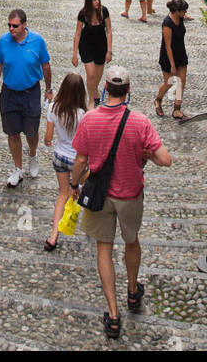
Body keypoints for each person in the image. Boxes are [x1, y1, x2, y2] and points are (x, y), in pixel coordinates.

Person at [69, 66, 171, 340]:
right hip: (130, 195)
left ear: (105, 88)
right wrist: (145, 154)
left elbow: (79, 161)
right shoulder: (139, 122)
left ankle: (113, 315)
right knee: (131, 241)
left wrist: (74, 185)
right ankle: (132, 291)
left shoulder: (90, 120)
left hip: (100, 195)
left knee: (104, 248)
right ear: (128, 91)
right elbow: (165, 159)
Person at [0, 9, 52, 187]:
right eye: (9, 25)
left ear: (24, 25)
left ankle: (32, 155)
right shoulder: (3, 41)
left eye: (14, 26)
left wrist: (48, 89)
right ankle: (18, 169)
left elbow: (45, 65)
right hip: (9, 93)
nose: (11, 29)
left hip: (30, 93)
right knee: (12, 132)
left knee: (31, 131)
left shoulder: (37, 41)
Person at [43, 73, 88, 250]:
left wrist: (49, 141)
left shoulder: (54, 108)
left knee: (62, 194)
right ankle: (92, 227)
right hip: (77, 160)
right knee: (82, 191)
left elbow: (48, 137)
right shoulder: (83, 114)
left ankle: (54, 235)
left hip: (60, 157)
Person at [72, 0, 113, 107]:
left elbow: (109, 31)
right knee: (90, 75)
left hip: (101, 46)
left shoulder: (104, 11)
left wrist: (109, 51)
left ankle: (95, 94)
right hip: (86, 45)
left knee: (96, 77)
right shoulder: (83, 14)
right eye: (94, 0)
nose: (97, 2)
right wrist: (74, 54)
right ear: (88, 2)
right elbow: (77, 33)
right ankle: (91, 100)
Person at [155, 0, 188, 121]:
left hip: (181, 54)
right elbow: (167, 45)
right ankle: (158, 100)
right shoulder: (167, 23)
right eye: (184, 11)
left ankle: (177, 109)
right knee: (168, 83)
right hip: (168, 57)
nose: (185, 13)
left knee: (182, 81)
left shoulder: (181, 18)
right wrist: (172, 65)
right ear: (176, 11)